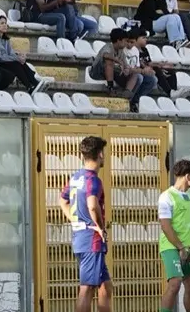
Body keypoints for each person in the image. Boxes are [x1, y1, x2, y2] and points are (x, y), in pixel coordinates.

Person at [59, 134, 109, 312]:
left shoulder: (75, 177)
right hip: (91, 239)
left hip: (81, 235)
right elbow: (92, 206)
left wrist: (75, 220)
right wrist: (100, 227)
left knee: (105, 287)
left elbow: (62, 200)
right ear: (100, 154)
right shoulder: (92, 179)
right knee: (86, 289)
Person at [158, 159, 190, 312]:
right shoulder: (166, 196)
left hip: (189, 248)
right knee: (175, 283)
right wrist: (180, 247)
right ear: (188, 177)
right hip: (171, 247)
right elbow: (165, 226)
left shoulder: (189, 198)